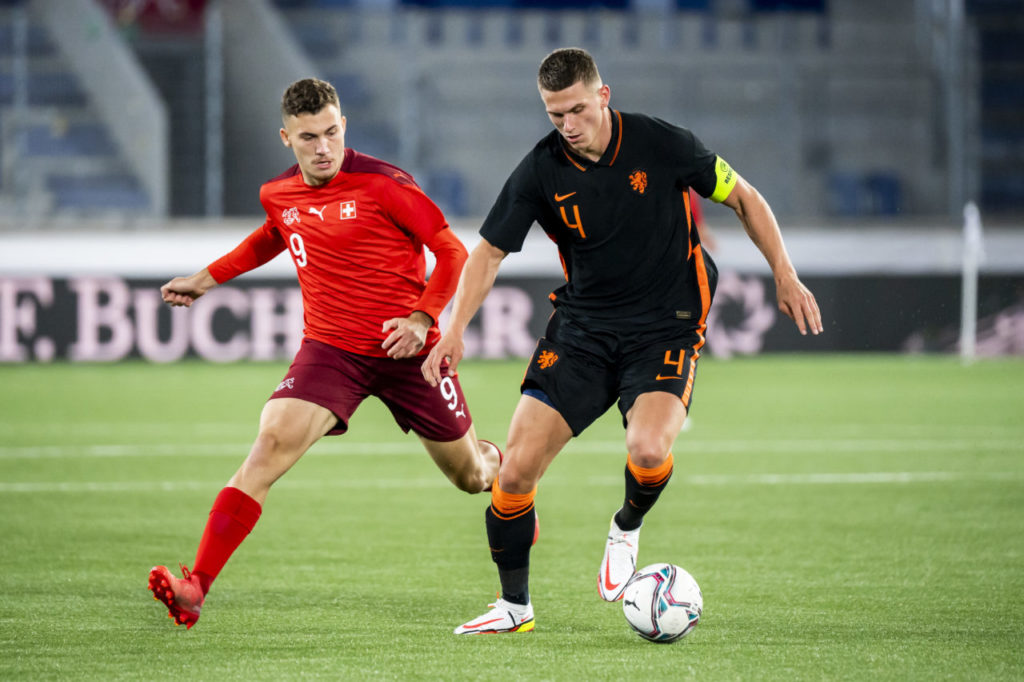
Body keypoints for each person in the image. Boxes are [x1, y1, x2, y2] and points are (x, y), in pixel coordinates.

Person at [422, 48, 822, 635]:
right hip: (584, 328)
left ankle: (627, 524)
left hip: (667, 322)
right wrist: (454, 328)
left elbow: (744, 198)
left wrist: (784, 274)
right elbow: (488, 251)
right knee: (514, 473)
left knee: (649, 451)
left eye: (578, 110)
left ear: (603, 96)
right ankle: (515, 608)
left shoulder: (662, 144)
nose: (567, 125)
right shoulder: (541, 170)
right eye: (555, 115)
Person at [148, 78, 501, 629]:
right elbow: (272, 235)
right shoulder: (278, 193)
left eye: (332, 133)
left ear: (344, 128)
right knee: (267, 446)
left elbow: (451, 251)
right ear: (286, 137)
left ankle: (494, 455)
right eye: (309, 137)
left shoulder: (386, 185)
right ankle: (196, 586)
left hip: (409, 350)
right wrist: (205, 279)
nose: (323, 147)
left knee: (472, 479)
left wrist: (421, 317)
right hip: (332, 351)